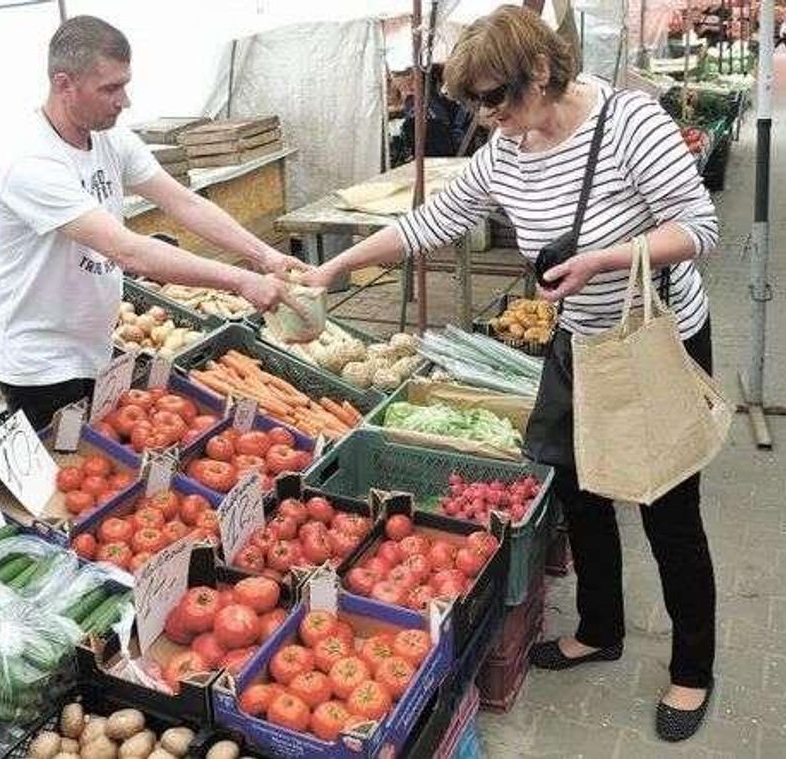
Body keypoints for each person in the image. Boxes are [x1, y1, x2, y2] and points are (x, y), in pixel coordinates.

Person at [301, 6, 720, 743]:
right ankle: (601, 628)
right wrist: (331, 269)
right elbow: (430, 222)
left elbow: (699, 228)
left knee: (665, 505)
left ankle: (693, 668)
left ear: (540, 73)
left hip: (655, 341)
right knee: (576, 485)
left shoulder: (629, 124)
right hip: (580, 341)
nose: (490, 119)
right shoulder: (505, 151)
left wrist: (606, 259)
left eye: (498, 98)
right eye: (477, 105)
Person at [0, 16, 306, 429]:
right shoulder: (29, 161)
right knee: (67, 465)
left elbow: (184, 203)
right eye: (110, 88)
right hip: (39, 362)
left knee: (98, 457)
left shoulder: (110, 139)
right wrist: (241, 281)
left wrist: (264, 256)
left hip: (91, 344)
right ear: (64, 84)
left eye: (125, 84)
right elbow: (129, 251)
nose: (124, 100)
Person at [389, 63, 472, 166]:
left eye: (410, 86)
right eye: (403, 89)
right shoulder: (412, 101)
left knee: (411, 125)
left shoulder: (434, 98)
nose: (408, 90)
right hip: (433, 148)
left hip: (441, 147)